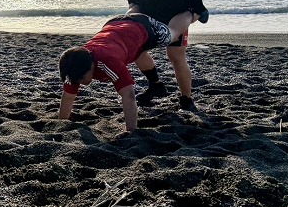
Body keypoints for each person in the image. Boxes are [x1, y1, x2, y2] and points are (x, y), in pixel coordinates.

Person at [58, 12, 193, 132]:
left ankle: (192, 13)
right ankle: (156, 85)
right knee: (139, 53)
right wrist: (62, 123)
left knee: (171, 34)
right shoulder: (74, 63)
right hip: (116, 24)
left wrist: (131, 130)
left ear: (91, 66)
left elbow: (128, 94)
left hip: (143, 26)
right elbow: (68, 96)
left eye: (81, 79)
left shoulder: (108, 62)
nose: (80, 83)